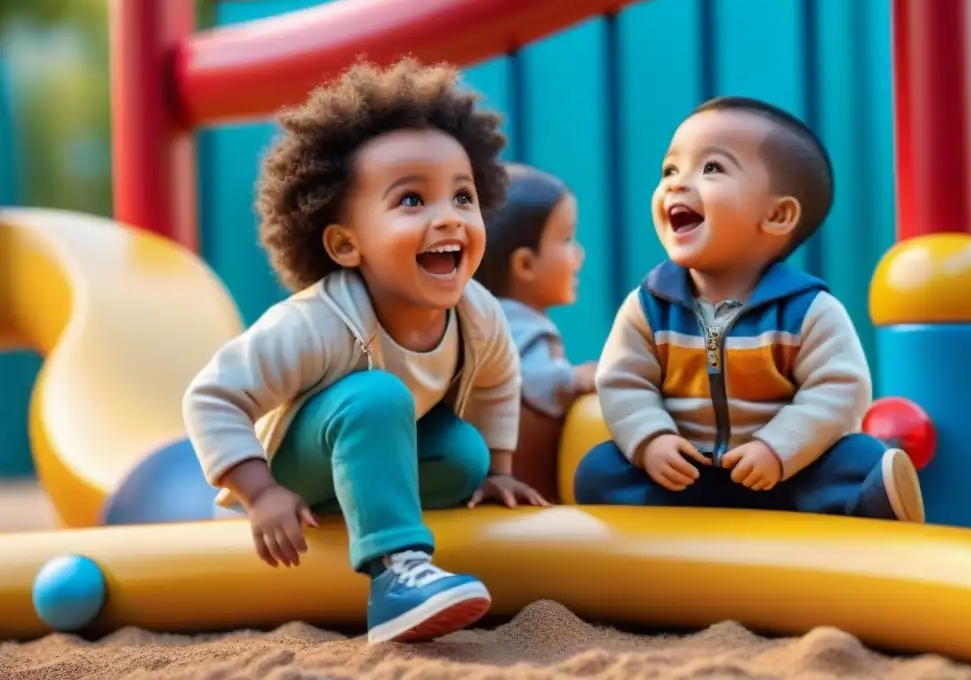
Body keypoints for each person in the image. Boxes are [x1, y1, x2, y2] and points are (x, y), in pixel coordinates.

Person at [182, 58, 547, 645]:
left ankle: (380, 518)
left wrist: (500, 472)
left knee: (463, 453)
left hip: (367, 462)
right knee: (376, 395)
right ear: (346, 244)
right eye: (411, 201)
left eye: (462, 196)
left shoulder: (479, 315)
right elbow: (212, 397)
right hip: (297, 474)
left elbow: (497, 386)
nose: (447, 218)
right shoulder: (315, 323)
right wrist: (262, 493)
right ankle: (394, 577)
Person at [573, 96, 925, 524]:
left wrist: (776, 448)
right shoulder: (649, 305)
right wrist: (652, 440)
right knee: (599, 470)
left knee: (861, 455)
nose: (676, 184)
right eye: (670, 170)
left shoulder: (807, 310)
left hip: (786, 475)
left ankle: (870, 503)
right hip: (685, 475)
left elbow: (840, 391)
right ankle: (660, 519)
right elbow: (624, 382)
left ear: (777, 215)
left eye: (712, 168)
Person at [474, 164, 594, 502]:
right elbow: (533, 380)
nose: (579, 255)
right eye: (568, 239)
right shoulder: (518, 326)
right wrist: (575, 379)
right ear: (525, 264)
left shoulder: (485, 318)